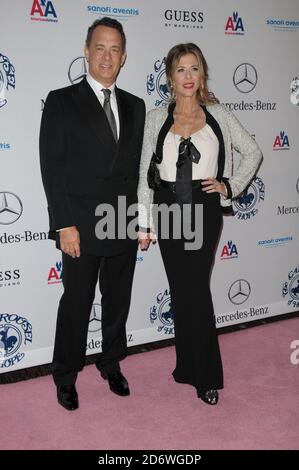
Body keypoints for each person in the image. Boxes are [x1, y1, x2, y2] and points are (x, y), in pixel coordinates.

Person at [138, 43, 262, 405]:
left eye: (194, 69)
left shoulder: (219, 114)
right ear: (170, 77)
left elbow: (252, 152)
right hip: (167, 207)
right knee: (181, 288)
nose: (188, 76)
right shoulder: (155, 117)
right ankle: (186, 366)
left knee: (195, 287)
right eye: (181, 69)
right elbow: (145, 173)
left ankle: (206, 375)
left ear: (202, 74)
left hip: (204, 208)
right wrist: (145, 222)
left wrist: (230, 186)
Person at [40, 17, 145, 410]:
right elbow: (52, 167)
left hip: (123, 222)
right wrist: (63, 224)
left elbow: (136, 171)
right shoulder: (61, 101)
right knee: (76, 304)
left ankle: (111, 362)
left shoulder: (136, 106)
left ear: (123, 57)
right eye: (100, 47)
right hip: (80, 227)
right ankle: (65, 375)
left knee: (117, 302)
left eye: (114, 49)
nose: (107, 55)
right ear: (86, 51)